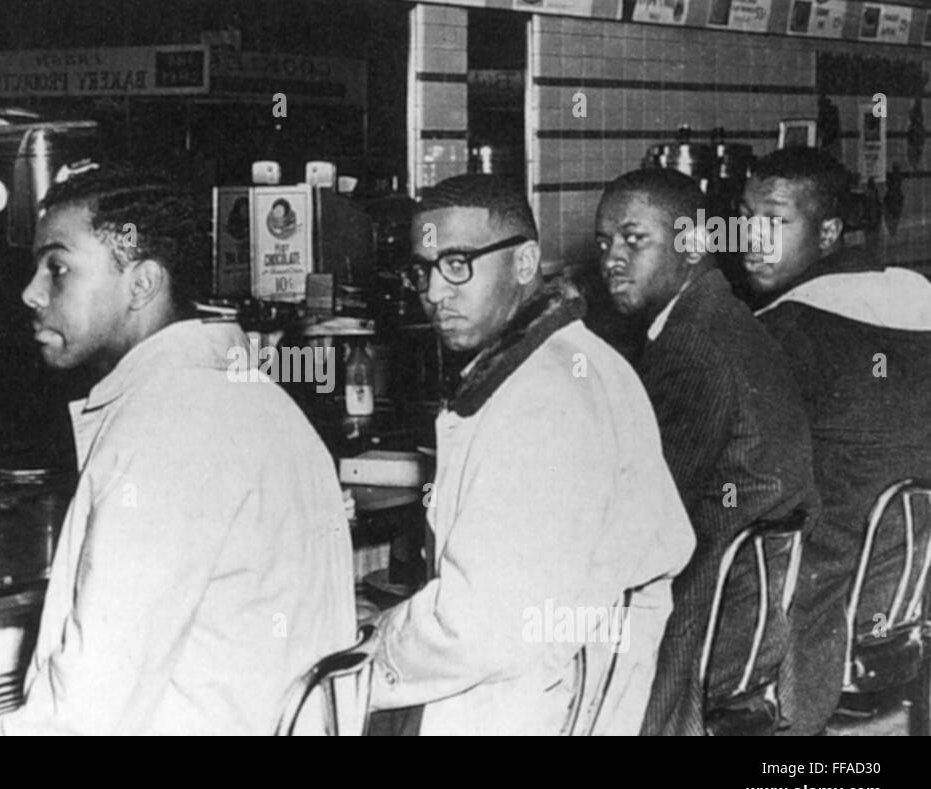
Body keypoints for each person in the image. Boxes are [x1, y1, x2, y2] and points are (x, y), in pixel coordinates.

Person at [0, 167, 355, 735]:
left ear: (142, 284)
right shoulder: (257, 400)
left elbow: (89, 711)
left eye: (58, 268)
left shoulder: (168, 426)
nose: (31, 293)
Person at [365, 174, 694, 735]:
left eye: (458, 263)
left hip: (528, 707)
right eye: (423, 270)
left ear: (523, 264)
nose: (436, 292)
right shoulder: (575, 357)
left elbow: (477, 631)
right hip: (562, 689)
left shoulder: (543, 402)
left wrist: (377, 640)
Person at [595, 168, 818, 736]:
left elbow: (649, 508)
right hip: (749, 604)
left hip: (707, 612)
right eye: (605, 243)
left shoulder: (692, 342)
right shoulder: (715, 317)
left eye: (633, 239)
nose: (612, 259)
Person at [741, 147, 931, 735]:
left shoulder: (782, 333)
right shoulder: (916, 298)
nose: (751, 239)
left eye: (774, 222)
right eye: (743, 219)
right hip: (907, 593)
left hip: (818, 612)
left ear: (827, 232)